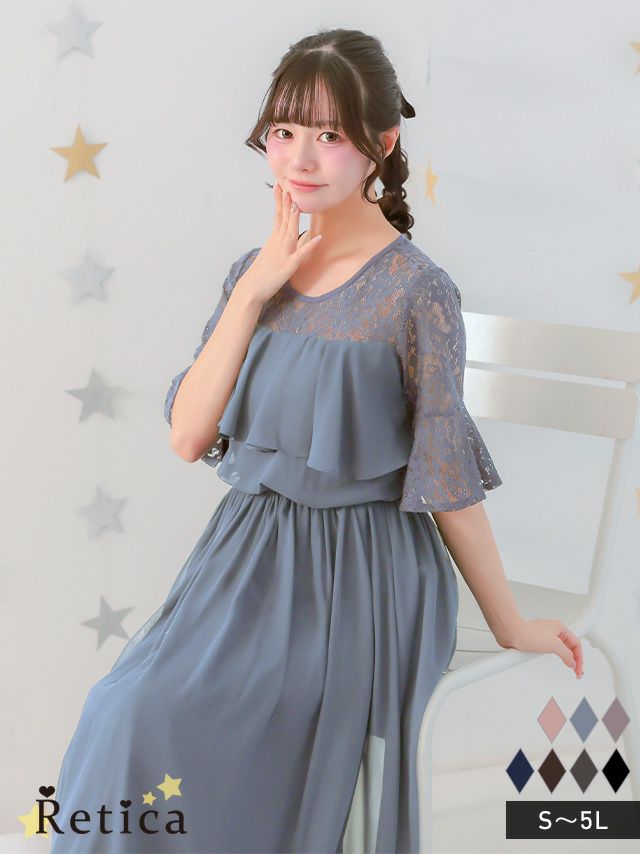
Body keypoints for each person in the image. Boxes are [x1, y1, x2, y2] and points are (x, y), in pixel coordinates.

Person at [50, 26, 583, 854]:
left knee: (182, 718)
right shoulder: (252, 273)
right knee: (122, 708)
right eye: (284, 131)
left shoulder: (418, 293)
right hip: (243, 561)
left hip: (360, 573)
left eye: (330, 135)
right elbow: (189, 436)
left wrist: (509, 622)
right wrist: (253, 291)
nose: (299, 158)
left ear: (381, 145)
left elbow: (448, 482)